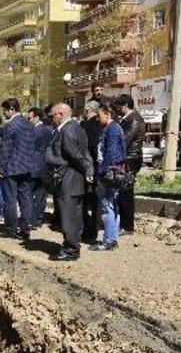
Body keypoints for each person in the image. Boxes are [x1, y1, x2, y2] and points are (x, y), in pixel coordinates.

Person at [46, 103, 94, 261]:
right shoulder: (76, 127)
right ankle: (71, 246)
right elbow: (84, 152)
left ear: (60, 114)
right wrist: (88, 169)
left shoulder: (68, 129)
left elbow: (74, 154)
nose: (51, 119)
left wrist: (87, 168)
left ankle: (71, 250)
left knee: (69, 216)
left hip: (69, 179)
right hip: (73, 179)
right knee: (73, 215)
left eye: (52, 116)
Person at [0, 98, 36, 240]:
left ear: (11, 110)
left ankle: (11, 229)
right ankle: (25, 229)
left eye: (5, 111)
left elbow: (6, 150)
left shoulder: (10, 126)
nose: (4, 114)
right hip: (26, 168)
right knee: (25, 199)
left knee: (10, 200)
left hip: (11, 169)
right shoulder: (29, 125)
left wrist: (0, 168)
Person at [91, 104, 127, 252]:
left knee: (107, 207)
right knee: (113, 206)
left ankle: (108, 240)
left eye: (99, 116)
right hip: (116, 171)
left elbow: (111, 153)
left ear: (107, 114)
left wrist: (103, 170)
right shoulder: (115, 128)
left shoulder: (112, 129)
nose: (97, 119)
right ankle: (112, 238)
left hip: (110, 173)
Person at [112, 94, 145, 235]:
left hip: (130, 158)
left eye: (118, 107)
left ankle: (128, 226)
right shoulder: (124, 120)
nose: (116, 110)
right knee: (122, 192)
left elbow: (125, 140)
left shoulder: (134, 120)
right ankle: (123, 223)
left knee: (126, 192)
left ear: (125, 105)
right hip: (125, 158)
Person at [26, 107, 53, 228]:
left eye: (29, 118)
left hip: (33, 167)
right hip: (44, 167)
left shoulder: (33, 131)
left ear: (36, 118)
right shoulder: (48, 130)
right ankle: (38, 218)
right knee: (41, 195)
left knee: (29, 194)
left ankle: (32, 219)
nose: (27, 120)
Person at [80, 101, 102, 241]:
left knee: (88, 200)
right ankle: (94, 226)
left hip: (89, 167)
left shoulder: (87, 125)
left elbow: (91, 146)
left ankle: (90, 229)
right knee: (95, 201)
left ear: (87, 110)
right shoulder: (99, 124)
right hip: (96, 166)